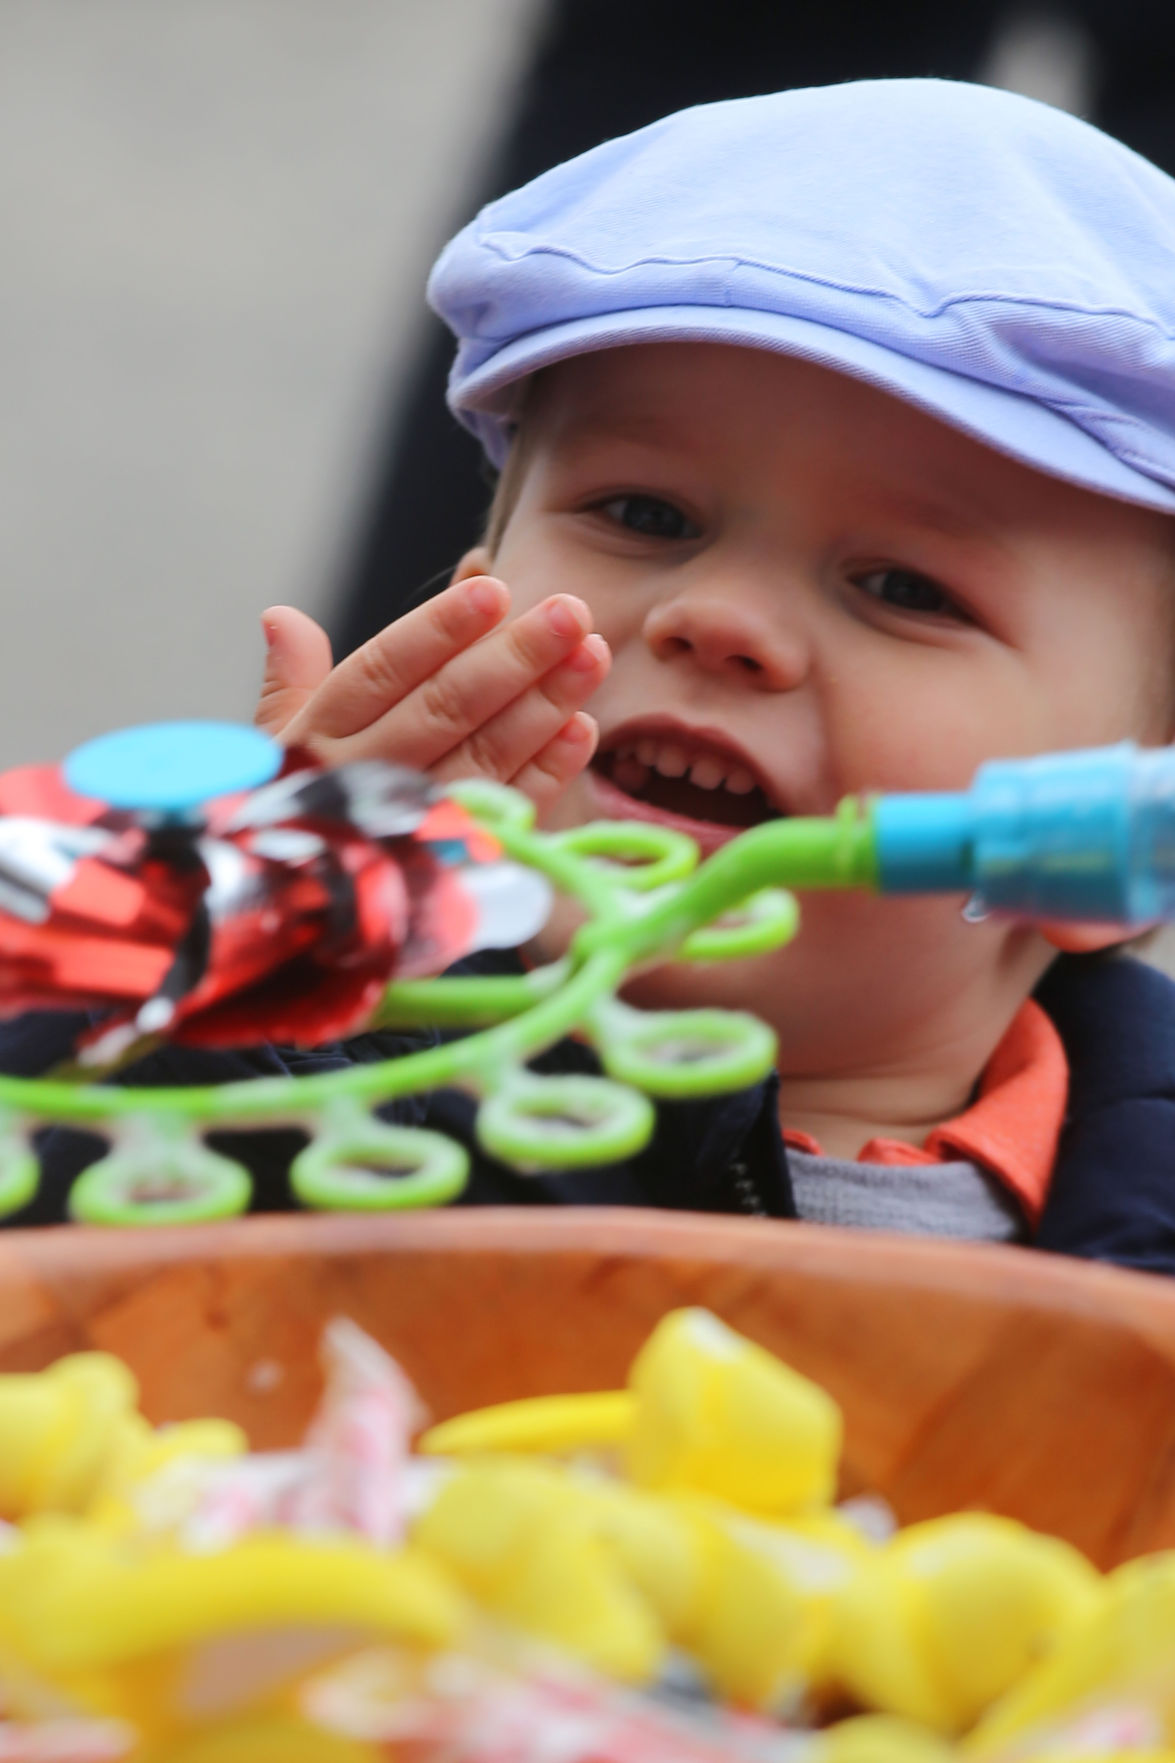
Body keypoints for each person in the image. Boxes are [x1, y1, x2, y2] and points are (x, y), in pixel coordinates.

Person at [11, 79, 1175, 1271]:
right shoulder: (343, 1072)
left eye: (903, 589)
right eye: (642, 512)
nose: (715, 617)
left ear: (1122, 839)